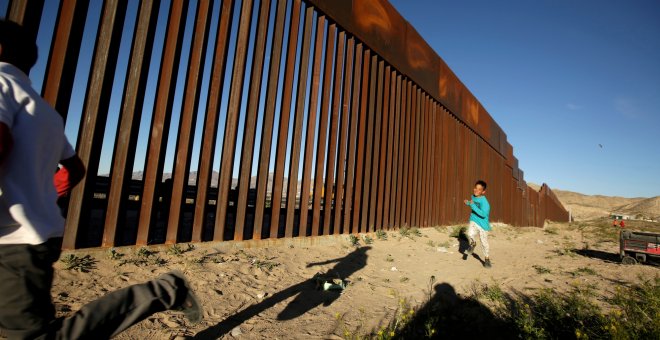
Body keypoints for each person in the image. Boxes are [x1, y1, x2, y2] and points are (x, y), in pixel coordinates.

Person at [0, 19, 201, 339]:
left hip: (12, 239)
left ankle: (164, 290)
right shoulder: (45, 111)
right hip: (35, 235)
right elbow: (75, 168)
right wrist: (42, 197)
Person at [464, 180, 492, 268]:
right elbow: (473, 204)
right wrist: (468, 203)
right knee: (469, 233)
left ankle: (487, 259)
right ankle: (473, 243)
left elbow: (483, 214)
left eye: (479, 189)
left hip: (483, 224)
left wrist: (472, 205)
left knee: (484, 242)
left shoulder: (485, 203)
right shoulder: (473, 196)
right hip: (474, 219)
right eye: (476, 188)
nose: (476, 190)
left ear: (483, 192)